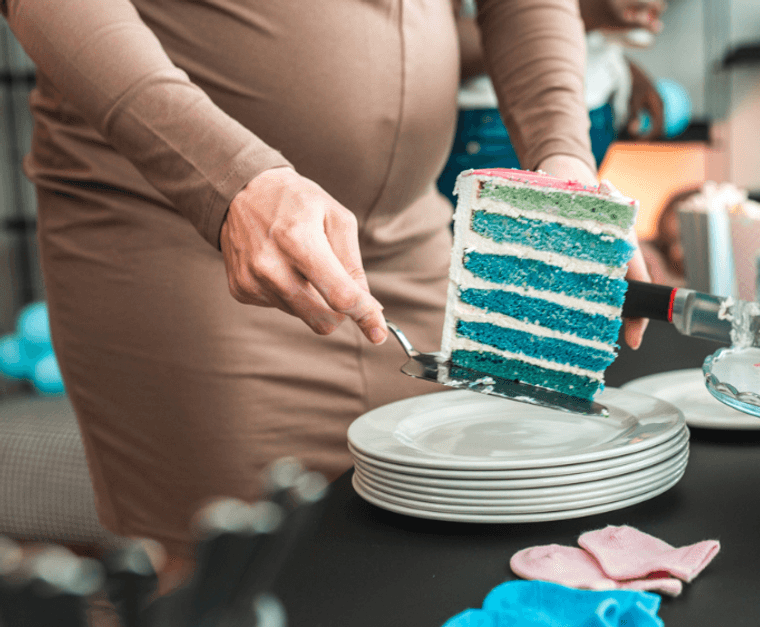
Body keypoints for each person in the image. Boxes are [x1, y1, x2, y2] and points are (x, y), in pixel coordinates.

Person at [1, 0, 650, 580]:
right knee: (232, 592)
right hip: (181, 229)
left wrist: (565, 166)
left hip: (413, 238)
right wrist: (228, 176)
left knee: (452, 566)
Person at [438, 0, 667, 208]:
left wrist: (623, 67)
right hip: (497, 121)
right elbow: (429, 41)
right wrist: (575, 18)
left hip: (592, 110)